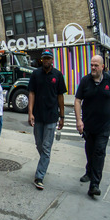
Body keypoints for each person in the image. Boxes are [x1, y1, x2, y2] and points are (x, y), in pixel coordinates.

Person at [74, 55, 110, 198]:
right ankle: (89, 171)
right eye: (92, 65)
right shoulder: (85, 81)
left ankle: (94, 185)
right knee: (90, 150)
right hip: (88, 125)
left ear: (102, 67)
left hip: (104, 126)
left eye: (96, 65)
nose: (93, 67)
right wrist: (79, 120)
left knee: (99, 152)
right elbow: (78, 100)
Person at [27, 50, 67, 190]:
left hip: (51, 117)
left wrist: (62, 116)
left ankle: (39, 176)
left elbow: (60, 97)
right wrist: (30, 112)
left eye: (48, 58)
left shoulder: (58, 75)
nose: (46, 61)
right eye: (44, 59)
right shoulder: (35, 74)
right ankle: (44, 162)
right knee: (39, 144)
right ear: (41, 60)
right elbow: (31, 93)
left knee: (46, 147)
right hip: (38, 116)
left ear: (52, 60)